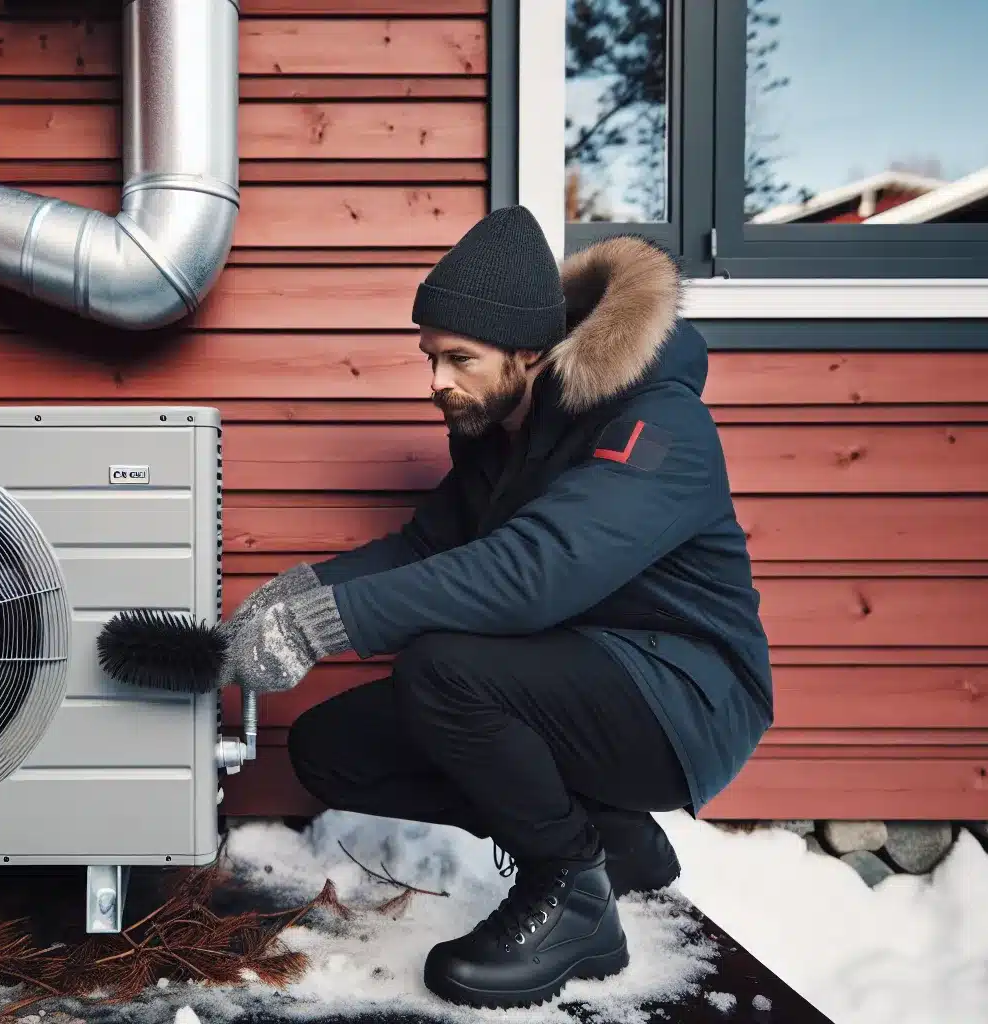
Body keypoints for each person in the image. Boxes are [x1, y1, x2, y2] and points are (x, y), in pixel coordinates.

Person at [217, 207, 774, 1010]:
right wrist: (298, 593)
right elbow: (425, 547)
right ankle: (610, 841)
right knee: (333, 750)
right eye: (430, 358)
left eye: (458, 359)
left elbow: (535, 573)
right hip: (575, 682)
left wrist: (320, 628)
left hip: (682, 698)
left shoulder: (656, 424)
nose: (436, 380)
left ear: (528, 354)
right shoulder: (502, 439)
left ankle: (572, 893)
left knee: (445, 670)